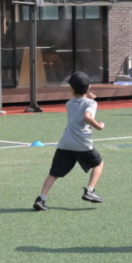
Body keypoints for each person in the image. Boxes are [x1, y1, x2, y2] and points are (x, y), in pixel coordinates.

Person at [33, 71, 106, 211]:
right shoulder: (91, 103)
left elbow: (80, 103)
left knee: (54, 174)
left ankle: (41, 199)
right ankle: (90, 191)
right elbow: (87, 116)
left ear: (71, 89)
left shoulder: (69, 103)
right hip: (82, 144)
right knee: (99, 163)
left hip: (65, 143)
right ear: (88, 87)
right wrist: (99, 126)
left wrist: (89, 98)